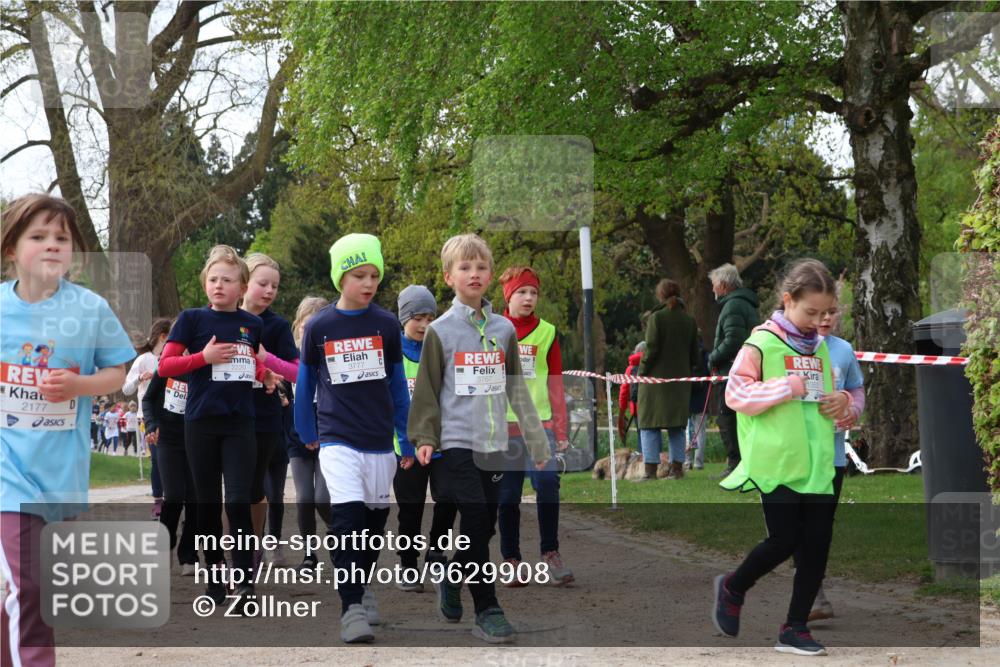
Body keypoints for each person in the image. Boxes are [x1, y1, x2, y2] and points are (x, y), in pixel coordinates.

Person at [1, 193, 135, 666]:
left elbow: (119, 374)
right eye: (38, 236)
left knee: (29, 588)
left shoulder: (90, 308)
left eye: (62, 237)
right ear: (12, 249)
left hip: (60, 476)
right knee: (31, 585)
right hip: (7, 475)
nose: (53, 245)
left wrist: (79, 384)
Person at [408, 233, 550, 644]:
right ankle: (487, 608)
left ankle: (453, 575)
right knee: (473, 519)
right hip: (455, 444)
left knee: (483, 528)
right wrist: (423, 436)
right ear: (448, 276)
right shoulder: (439, 331)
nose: (474, 274)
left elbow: (516, 391)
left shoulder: (505, 329)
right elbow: (428, 389)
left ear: (490, 275)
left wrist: (537, 443)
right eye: (465, 268)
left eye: (481, 267)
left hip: (495, 445)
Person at [712, 259, 853, 657]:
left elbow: (844, 398)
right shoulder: (760, 343)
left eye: (825, 313)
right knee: (785, 540)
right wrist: (782, 388)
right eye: (811, 312)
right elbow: (735, 395)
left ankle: (794, 628)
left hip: (820, 462)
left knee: (817, 545)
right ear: (787, 300)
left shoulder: (823, 348)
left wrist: (844, 403)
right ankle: (733, 586)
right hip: (777, 462)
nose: (818, 321)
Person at [294, 233, 415, 644]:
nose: (368, 283)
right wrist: (307, 430)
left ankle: (362, 586)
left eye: (374, 276)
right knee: (346, 521)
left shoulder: (385, 324)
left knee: (373, 523)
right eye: (359, 275)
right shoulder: (320, 326)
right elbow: (306, 384)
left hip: (380, 442)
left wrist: (407, 436)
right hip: (336, 439)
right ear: (340, 277)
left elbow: (398, 385)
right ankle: (350, 609)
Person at [158, 244, 278, 612]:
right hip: (200, 424)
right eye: (213, 279)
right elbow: (165, 367)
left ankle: (244, 584)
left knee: (239, 502)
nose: (219, 285)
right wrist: (203, 358)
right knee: (207, 507)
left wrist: (265, 373)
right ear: (205, 283)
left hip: (241, 424)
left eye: (227, 279)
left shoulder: (253, 324)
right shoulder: (191, 320)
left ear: (242, 287)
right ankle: (215, 579)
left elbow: (248, 361)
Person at [496, 266, 574, 586]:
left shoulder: (548, 332)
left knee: (547, 484)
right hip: (503, 426)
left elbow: (555, 384)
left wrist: (561, 431)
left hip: (538, 426)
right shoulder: (491, 329)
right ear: (508, 296)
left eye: (533, 293)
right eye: (522, 292)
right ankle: (512, 559)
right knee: (507, 496)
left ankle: (550, 553)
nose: (529, 298)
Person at [800, 292, 865, 621]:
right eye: (819, 312)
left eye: (832, 312)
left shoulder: (843, 349)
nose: (826, 318)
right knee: (796, 526)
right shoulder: (788, 345)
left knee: (821, 525)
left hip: (832, 455)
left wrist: (851, 411)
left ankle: (815, 592)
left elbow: (856, 388)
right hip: (793, 453)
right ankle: (813, 593)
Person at [391, 284, 458, 591]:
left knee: (448, 497)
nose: (424, 324)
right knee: (411, 506)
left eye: (430, 317)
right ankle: (407, 564)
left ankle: (435, 551)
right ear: (404, 318)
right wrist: (402, 441)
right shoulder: (392, 354)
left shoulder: (443, 350)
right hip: (406, 445)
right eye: (417, 317)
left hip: (442, 442)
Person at [241, 253, 299, 567]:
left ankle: (255, 543)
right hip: (225, 414)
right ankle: (233, 552)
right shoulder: (219, 318)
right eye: (262, 283)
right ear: (244, 282)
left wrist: (266, 359)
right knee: (234, 487)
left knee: (259, 488)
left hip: (264, 417)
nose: (269, 291)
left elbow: (297, 372)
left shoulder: (277, 325)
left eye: (274, 286)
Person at [635, 279, 700, 481]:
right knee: (677, 426)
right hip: (680, 383)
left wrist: (641, 371)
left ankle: (650, 472)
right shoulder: (689, 321)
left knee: (648, 425)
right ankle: (677, 469)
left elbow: (651, 348)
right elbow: (695, 356)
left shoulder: (657, 318)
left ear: (660, 296)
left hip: (655, 382)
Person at [285, 296, 330, 573]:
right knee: (304, 497)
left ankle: (339, 533)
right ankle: (309, 554)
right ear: (297, 326)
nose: (309, 331)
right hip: (297, 435)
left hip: (327, 431)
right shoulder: (289, 357)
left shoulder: (330, 358)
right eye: (305, 325)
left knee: (322, 497)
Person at [142, 362, 199, 577]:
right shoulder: (167, 368)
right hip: (168, 440)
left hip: (197, 440)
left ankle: (189, 555)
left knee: (195, 499)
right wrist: (150, 424)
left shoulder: (204, 367)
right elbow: (148, 399)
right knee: (174, 495)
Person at [707, 263, 760, 477]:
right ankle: (743, 462)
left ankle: (735, 464)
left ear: (723, 285)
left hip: (731, 372)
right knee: (741, 419)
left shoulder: (733, 306)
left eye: (714, 285)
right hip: (746, 370)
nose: (712, 290)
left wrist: (712, 357)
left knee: (727, 417)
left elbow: (733, 340)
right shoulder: (746, 304)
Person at [125, 318, 172, 513]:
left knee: (173, 458)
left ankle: (175, 497)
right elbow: (126, 389)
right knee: (157, 459)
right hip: (149, 416)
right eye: (172, 337)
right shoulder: (144, 360)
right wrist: (139, 377)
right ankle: (158, 500)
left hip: (172, 414)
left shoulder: (174, 358)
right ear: (163, 337)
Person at [617, 341, 645, 453]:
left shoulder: (631, 368)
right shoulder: (654, 363)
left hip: (637, 408)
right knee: (654, 433)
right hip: (653, 407)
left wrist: (622, 411)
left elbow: (624, 392)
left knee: (641, 435)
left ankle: (644, 463)